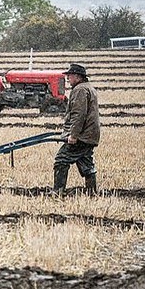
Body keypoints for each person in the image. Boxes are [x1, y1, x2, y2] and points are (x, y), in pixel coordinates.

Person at [53, 63, 100, 195]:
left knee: (61, 160)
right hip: (89, 134)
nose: (68, 79)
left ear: (78, 77)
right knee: (86, 163)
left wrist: (73, 135)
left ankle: (58, 192)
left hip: (82, 135)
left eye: (70, 76)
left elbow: (79, 115)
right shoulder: (88, 88)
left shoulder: (79, 90)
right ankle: (92, 192)